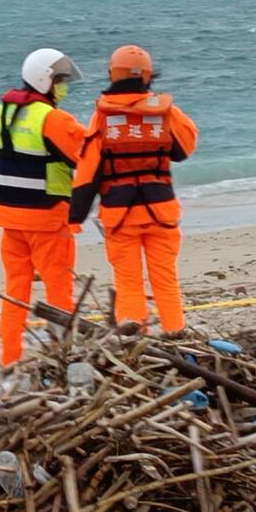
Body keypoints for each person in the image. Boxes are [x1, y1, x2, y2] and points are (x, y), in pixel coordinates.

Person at [69, 45, 198, 337]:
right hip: (162, 212)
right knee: (165, 278)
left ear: (112, 73)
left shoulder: (102, 117)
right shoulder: (165, 112)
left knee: (127, 280)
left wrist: (74, 217)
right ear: (148, 76)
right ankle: (175, 333)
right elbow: (184, 149)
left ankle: (133, 337)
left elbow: (88, 172)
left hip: (119, 216)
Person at [0, 48, 86, 366]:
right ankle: (62, 356)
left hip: (8, 217)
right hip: (48, 218)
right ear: (46, 80)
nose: (63, 86)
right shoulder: (53, 119)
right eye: (61, 80)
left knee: (15, 291)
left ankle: (10, 359)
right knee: (59, 290)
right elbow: (88, 156)